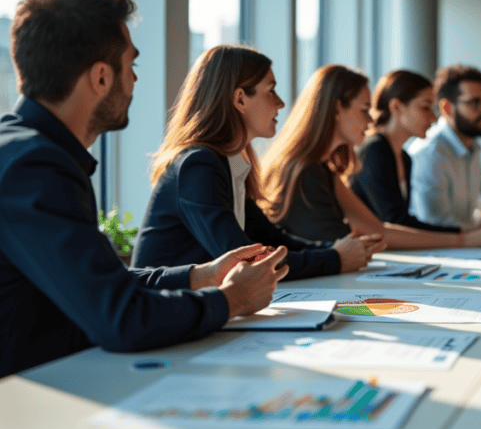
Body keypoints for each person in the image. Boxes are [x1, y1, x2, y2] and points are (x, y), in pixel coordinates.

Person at [0, 0, 288, 377]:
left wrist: (200, 275)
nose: (135, 80)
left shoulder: (29, 153)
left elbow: (99, 282)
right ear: (101, 77)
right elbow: (121, 318)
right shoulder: (33, 168)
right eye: (130, 65)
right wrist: (231, 301)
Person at [133, 46, 383, 276]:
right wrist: (335, 258)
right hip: (168, 316)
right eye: (271, 91)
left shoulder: (228, 163)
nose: (281, 103)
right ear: (240, 99)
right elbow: (243, 259)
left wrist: (336, 250)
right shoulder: (198, 166)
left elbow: (271, 240)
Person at [260, 65, 481, 248]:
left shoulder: (325, 170)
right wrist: (467, 237)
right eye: (365, 110)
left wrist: (469, 235)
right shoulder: (314, 168)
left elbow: (378, 229)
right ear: (337, 109)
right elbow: (358, 240)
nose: (371, 119)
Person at [349, 69, 481, 246]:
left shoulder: (404, 157)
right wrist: (465, 237)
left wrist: (470, 230)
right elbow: (395, 224)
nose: (433, 118)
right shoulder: (374, 150)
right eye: (425, 108)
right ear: (396, 107)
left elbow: (405, 223)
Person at [407, 64, 481, 232]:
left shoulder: (473, 148)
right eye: (474, 102)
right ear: (446, 108)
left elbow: (468, 213)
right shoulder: (429, 152)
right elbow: (434, 224)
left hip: (464, 250)